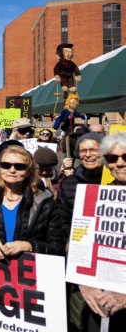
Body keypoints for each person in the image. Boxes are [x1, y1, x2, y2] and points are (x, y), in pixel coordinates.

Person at [0, 145, 65, 260]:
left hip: (27, 272)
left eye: (19, 167)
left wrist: (29, 246)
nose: (12, 170)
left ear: (29, 171)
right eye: (6, 165)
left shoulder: (45, 203)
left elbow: (58, 246)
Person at [70, 133, 126, 330]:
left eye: (125, 157)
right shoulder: (96, 196)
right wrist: (83, 282)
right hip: (100, 297)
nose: (119, 163)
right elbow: (78, 241)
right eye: (112, 158)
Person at [56, 133, 103, 237]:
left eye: (93, 150)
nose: (88, 154)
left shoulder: (115, 182)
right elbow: (62, 220)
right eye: (83, 151)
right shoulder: (67, 184)